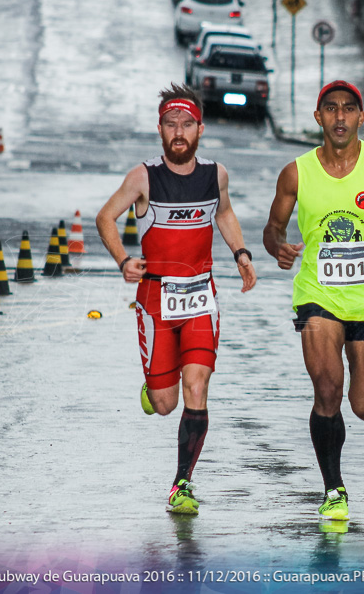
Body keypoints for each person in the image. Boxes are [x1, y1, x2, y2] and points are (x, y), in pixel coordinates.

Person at [263, 80, 364, 521]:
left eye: (348, 109)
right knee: (327, 390)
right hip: (319, 295)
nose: (340, 117)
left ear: (361, 117)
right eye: (331, 109)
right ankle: (333, 489)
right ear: (318, 117)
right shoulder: (296, 173)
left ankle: (357, 367)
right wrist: (277, 245)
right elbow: (273, 227)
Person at [97, 84, 256, 515]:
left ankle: (181, 485)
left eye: (187, 124)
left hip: (201, 296)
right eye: (171, 125)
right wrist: (123, 259)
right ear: (160, 130)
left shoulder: (215, 175)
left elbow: (222, 211)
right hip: (156, 299)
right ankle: (153, 387)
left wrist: (240, 253)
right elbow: (105, 217)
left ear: (200, 130)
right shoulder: (143, 178)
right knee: (166, 403)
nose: (179, 132)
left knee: (197, 384)